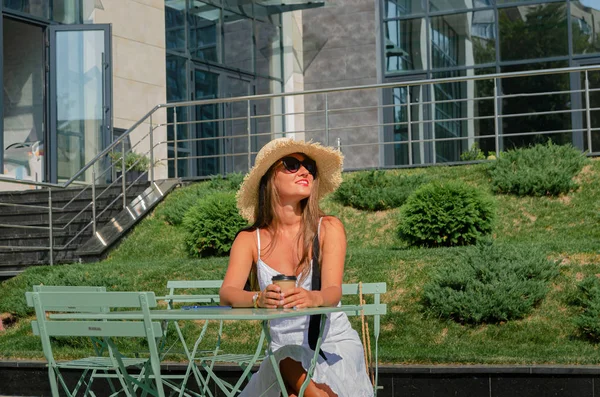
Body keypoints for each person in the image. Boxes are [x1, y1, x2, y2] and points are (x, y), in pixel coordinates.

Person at [219, 138, 374, 397]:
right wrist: (258, 298)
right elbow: (227, 294)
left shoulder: (328, 228)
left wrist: (312, 297)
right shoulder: (249, 239)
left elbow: (333, 292)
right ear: (270, 178)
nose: (305, 172)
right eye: (292, 165)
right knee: (289, 365)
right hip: (284, 357)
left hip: (332, 347)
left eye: (310, 168)